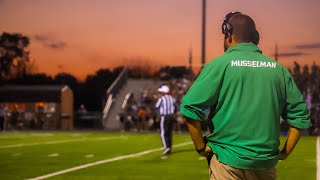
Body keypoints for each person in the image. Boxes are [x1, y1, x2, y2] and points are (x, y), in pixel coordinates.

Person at [180, 12, 311, 180]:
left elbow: (190, 108)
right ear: (255, 37)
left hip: (226, 162)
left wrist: (200, 147)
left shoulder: (220, 65)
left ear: (228, 33)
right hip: (265, 165)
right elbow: (300, 116)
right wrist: (285, 152)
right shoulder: (279, 70)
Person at [155, 85, 176, 155]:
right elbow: (175, 107)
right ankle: (169, 147)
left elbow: (156, 106)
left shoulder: (162, 98)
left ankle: (166, 147)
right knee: (169, 132)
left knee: (163, 133)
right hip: (171, 116)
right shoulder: (172, 98)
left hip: (164, 117)